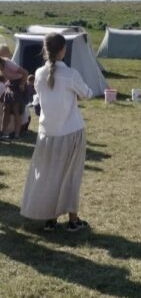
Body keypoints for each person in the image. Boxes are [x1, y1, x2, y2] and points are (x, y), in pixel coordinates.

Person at [21, 33, 94, 232]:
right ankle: (73, 220)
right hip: (71, 131)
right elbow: (87, 94)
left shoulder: (38, 73)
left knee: (49, 176)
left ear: (46, 50)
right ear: (63, 50)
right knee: (71, 176)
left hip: (47, 133)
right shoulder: (71, 74)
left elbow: (39, 98)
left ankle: (51, 219)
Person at [0, 56, 28, 139]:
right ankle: (2, 132)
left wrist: (22, 84)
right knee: (6, 109)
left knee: (16, 110)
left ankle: (16, 134)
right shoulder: (2, 66)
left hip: (18, 84)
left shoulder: (8, 63)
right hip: (10, 84)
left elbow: (25, 73)